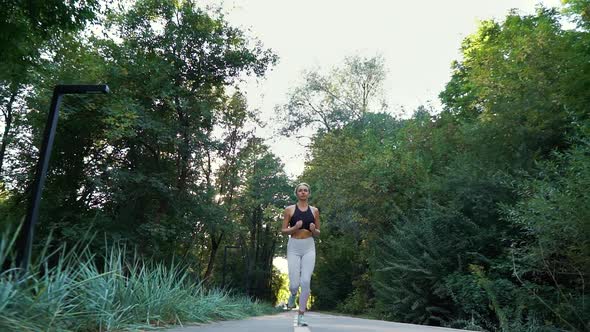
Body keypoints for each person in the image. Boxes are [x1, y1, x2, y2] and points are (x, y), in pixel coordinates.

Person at [281, 182, 320, 327]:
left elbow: (318, 232)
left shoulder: (314, 211)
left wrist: (313, 229)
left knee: (305, 282)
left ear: (309, 194)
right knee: (294, 284)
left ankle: (301, 316)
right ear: (296, 193)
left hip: (309, 246)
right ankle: (292, 295)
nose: (303, 192)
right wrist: (294, 228)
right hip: (294, 247)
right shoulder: (289, 210)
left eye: (305, 190)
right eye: (300, 190)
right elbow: (283, 230)